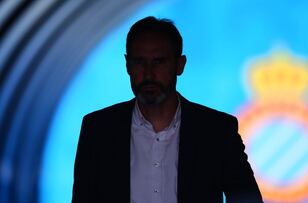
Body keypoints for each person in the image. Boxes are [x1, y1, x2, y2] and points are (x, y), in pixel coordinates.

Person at [72, 16, 263, 203]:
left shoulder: (216, 131)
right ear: (127, 65)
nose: (148, 73)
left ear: (180, 65)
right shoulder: (98, 130)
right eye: (139, 61)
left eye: (159, 61)